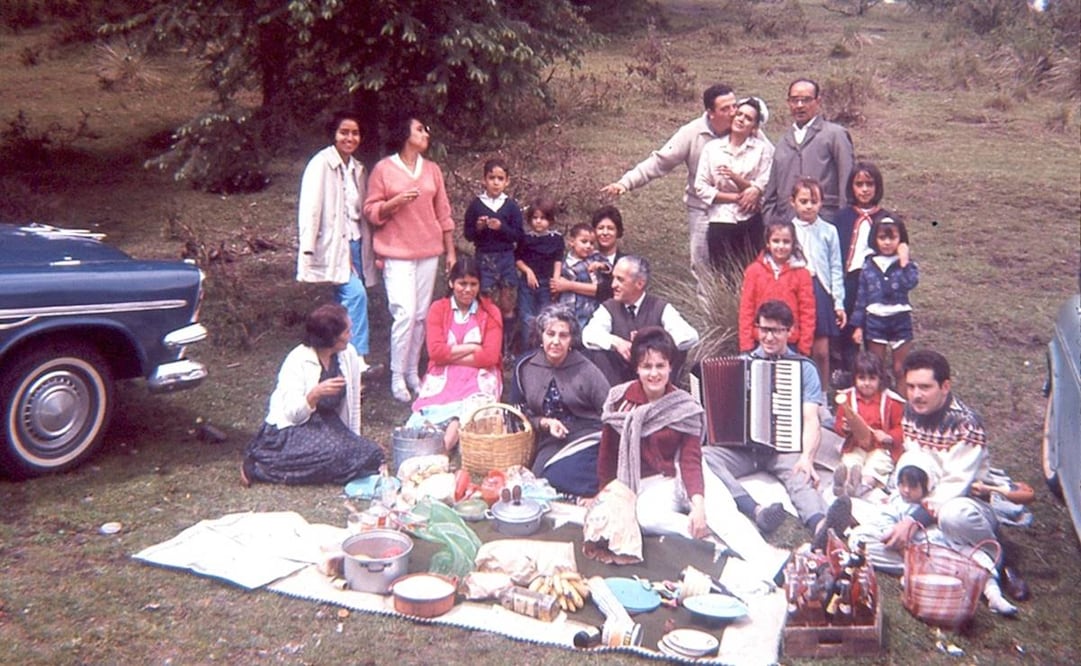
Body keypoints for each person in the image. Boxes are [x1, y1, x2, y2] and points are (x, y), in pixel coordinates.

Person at [598, 327, 790, 582]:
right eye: (647, 366)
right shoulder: (620, 401)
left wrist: (698, 503)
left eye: (660, 365)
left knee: (722, 511)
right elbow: (608, 454)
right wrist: (602, 494)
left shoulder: (684, 406)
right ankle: (712, 544)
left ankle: (772, 567)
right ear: (637, 368)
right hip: (649, 484)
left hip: (686, 473)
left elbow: (690, 459)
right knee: (644, 518)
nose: (654, 373)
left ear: (669, 367)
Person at [851, 350, 1022, 615]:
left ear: (945, 386)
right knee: (862, 543)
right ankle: (955, 562)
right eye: (910, 386)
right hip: (919, 509)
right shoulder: (910, 413)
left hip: (965, 505)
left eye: (925, 387)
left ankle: (997, 557)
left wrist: (910, 522)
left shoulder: (966, 424)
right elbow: (912, 463)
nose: (916, 394)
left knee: (953, 515)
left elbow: (954, 488)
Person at [703, 300, 850, 545]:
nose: (769, 337)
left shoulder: (804, 369)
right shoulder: (740, 364)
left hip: (782, 448)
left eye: (776, 330)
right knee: (705, 457)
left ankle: (822, 526)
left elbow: (811, 418)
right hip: (744, 450)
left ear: (789, 332)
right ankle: (756, 510)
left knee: (801, 476)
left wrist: (807, 457)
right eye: (764, 329)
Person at [599, 84, 741, 277]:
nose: (733, 113)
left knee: (741, 261)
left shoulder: (746, 126)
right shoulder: (692, 133)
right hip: (703, 208)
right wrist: (625, 183)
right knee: (703, 264)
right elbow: (659, 162)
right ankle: (709, 306)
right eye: (725, 109)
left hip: (741, 207)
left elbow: (770, 161)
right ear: (710, 113)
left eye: (735, 106)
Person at [363, 113, 457, 403]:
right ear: (405, 134)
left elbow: (443, 213)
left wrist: (451, 252)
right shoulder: (383, 169)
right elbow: (370, 210)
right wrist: (394, 203)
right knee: (404, 313)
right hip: (397, 252)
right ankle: (396, 376)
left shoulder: (432, 170)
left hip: (429, 251)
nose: (426, 133)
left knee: (419, 316)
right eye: (419, 129)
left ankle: (413, 374)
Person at [241, 304, 385, 486]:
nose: (352, 336)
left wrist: (355, 440)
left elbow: (354, 402)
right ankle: (258, 466)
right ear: (330, 337)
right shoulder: (298, 360)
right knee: (333, 454)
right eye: (347, 332)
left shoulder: (348, 355)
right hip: (291, 430)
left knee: (372, 453)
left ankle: (337, 462)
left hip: (327, 424)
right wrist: (314, 395)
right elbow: (293, 415)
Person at [296, 110, 379, 373]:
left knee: (343, 303)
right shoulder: (320, 164)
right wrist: (308, 246)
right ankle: (358, 357)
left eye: (354, 133)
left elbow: (362, 211)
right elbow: (310, 208)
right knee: (357, 296)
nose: (349, 138)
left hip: (357, 242)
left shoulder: (358, 168)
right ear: (334, 134)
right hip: (333, 245)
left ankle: (334, 354)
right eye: (344, 132)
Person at [509, 304, 610, 497]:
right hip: (550, 441)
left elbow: (609, 411)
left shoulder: (587, 369)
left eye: (563, 335)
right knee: (546, 476)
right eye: (550, 333)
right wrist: (545, 423)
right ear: (541, 335)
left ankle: (599, 491)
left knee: (586, 470)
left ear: (571, 339)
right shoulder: (525, 367)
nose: (556, 341)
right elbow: (516, 414)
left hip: (588, 437)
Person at [406, 256, 503, 451]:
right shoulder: (438, 309)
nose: (468, 289)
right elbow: (435, 352)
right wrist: (474, 348)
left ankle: (445, 443)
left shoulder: (491, 311)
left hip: (478, 374)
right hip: (443, 373)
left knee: (472, 406)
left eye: (473, 284)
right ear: (451, 283)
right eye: (462, 283)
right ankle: (443, 437)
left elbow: (490, 357)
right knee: (429, 408)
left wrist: (450, 354)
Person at [582, 255, 700, 385]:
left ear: (639, 283)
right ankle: (614, 402)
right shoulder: (609, 308)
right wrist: (617, 342)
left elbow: (690, 336)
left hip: (656, 383)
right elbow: (588, 335)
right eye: (613, 278)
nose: (613, 285)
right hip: (620, 384)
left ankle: (666, 399)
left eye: (620, 280)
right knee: (599, 350)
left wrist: (652, 344)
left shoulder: (660, 307)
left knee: (679, 349)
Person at [762, 77, 855, 226]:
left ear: (817, 102)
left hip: (826, 220)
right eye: (794, 100)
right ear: (788, 103)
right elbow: (772, 191)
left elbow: (847, 179)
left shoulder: (835, 134)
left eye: (805, 100)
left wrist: (844, 219)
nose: (799, 105)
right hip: (788, 224)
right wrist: (771, 220)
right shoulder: (783, 142)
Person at [693, 96, 774, 266]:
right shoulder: (712, 148)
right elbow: (701, 186)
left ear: (755, 127)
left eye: (748, 118)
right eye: (739, 114)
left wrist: (748, 187)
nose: (741, 120)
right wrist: (736, 198)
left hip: (751, 219)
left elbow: (765, 182)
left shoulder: (763, 149)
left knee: (751, 270)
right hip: (720, 219)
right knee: (722, 271)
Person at [831, 162, 893, 381]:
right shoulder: (842, 217)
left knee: (872, 326)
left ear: (877, 187)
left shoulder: (886, 218)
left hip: (877, 282)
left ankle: (875, 373)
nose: (865, 189)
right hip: (850, 279)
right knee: (847, 325)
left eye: (870, 184)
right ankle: (850, 371)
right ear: (852, 187)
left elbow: (898, 245)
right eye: (859, 184)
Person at [851, 216, 919, 396]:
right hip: (875, 320)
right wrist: (858, 326)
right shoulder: (869, 264)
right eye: (882, 238)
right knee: (877, 368)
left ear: (900, 239)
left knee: (900, 368)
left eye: (892, 238)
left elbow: (910, 282)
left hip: (900, 319)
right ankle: (878, 407)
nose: (887, 242)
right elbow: (861, 297)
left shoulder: (905, 263)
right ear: (875, 239)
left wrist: (904, 261)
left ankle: (902, 409)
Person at [463, 158, 524, 357]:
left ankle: (506, 347)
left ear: (507, 181)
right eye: (491, 178)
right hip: (484, 258)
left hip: (506, 258)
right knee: (484, 302)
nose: (496, 182)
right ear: (484, 180)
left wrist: (502, 227)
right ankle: (486, 343)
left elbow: (518, 235)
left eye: (500, 178)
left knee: (507, 304)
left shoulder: (511, 206)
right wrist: (479, 228)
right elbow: (468, 234)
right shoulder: (476, 206)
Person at [790, 177, 846, 392]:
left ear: (821, 203)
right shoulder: (788, 230)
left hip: (821, 290)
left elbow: (835, 268)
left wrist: (838, 303)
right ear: (792, 202)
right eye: (803, 201)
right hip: (796, 291)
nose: (809, 206)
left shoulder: (829, 231)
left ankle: (821, 395)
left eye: (814, 201)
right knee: (798, 347)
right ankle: (799, 394)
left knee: (821, 351)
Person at [831, 351, 906, 498]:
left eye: (872, 378)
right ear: (854, 378)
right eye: (861, 378)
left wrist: (889, 436)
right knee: (850, 461)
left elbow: (901, 427)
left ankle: (863, 484)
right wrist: (844, 428)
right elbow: (839, 424)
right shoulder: (847, 398)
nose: (866, 383)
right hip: (856, 444)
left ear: (880, 379)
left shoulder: (891, 401)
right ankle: (845, 483)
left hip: (881, 446)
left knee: (877, 465)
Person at [738, 219, 815, 356]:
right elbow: (746, 309)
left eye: (786, 241)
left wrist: (804, 347)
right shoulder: (754, 271)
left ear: (793, 244)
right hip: (760, 341)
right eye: (776, 241)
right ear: (768, 243)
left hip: (790, 343)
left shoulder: (802, 274)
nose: (781, 246)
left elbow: (807, 311)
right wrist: (746, 345)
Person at [515, 197, 564, 349]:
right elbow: (517, 259)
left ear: (550, 220)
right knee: (527, 318)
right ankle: (527, 353)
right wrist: (528, 271)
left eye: (543, 218)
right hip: (527, 284)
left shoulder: (556, 239)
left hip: (546, 284)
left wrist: (556, 279)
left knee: (546, 318)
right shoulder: (526, 238)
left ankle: (543, 352)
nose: (538, 221)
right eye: (535, 218)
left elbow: (558, 259)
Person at [551, 222, 606, 329]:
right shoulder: (563, 262)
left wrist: (600, 265)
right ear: (572, 242)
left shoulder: (594, 257)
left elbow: (609, 266)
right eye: (584, 242)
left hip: (587, 307)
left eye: (591, 243)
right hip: (566, 306)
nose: (588, 246)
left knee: (584, 333)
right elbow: (556, 281)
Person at [590, 205, 627, 302]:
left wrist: (569, 285)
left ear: (618, 232)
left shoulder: (626, 263)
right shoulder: (584, 259)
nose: (605, 232)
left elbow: (610, 291)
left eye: (610, 228)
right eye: (600, 228)